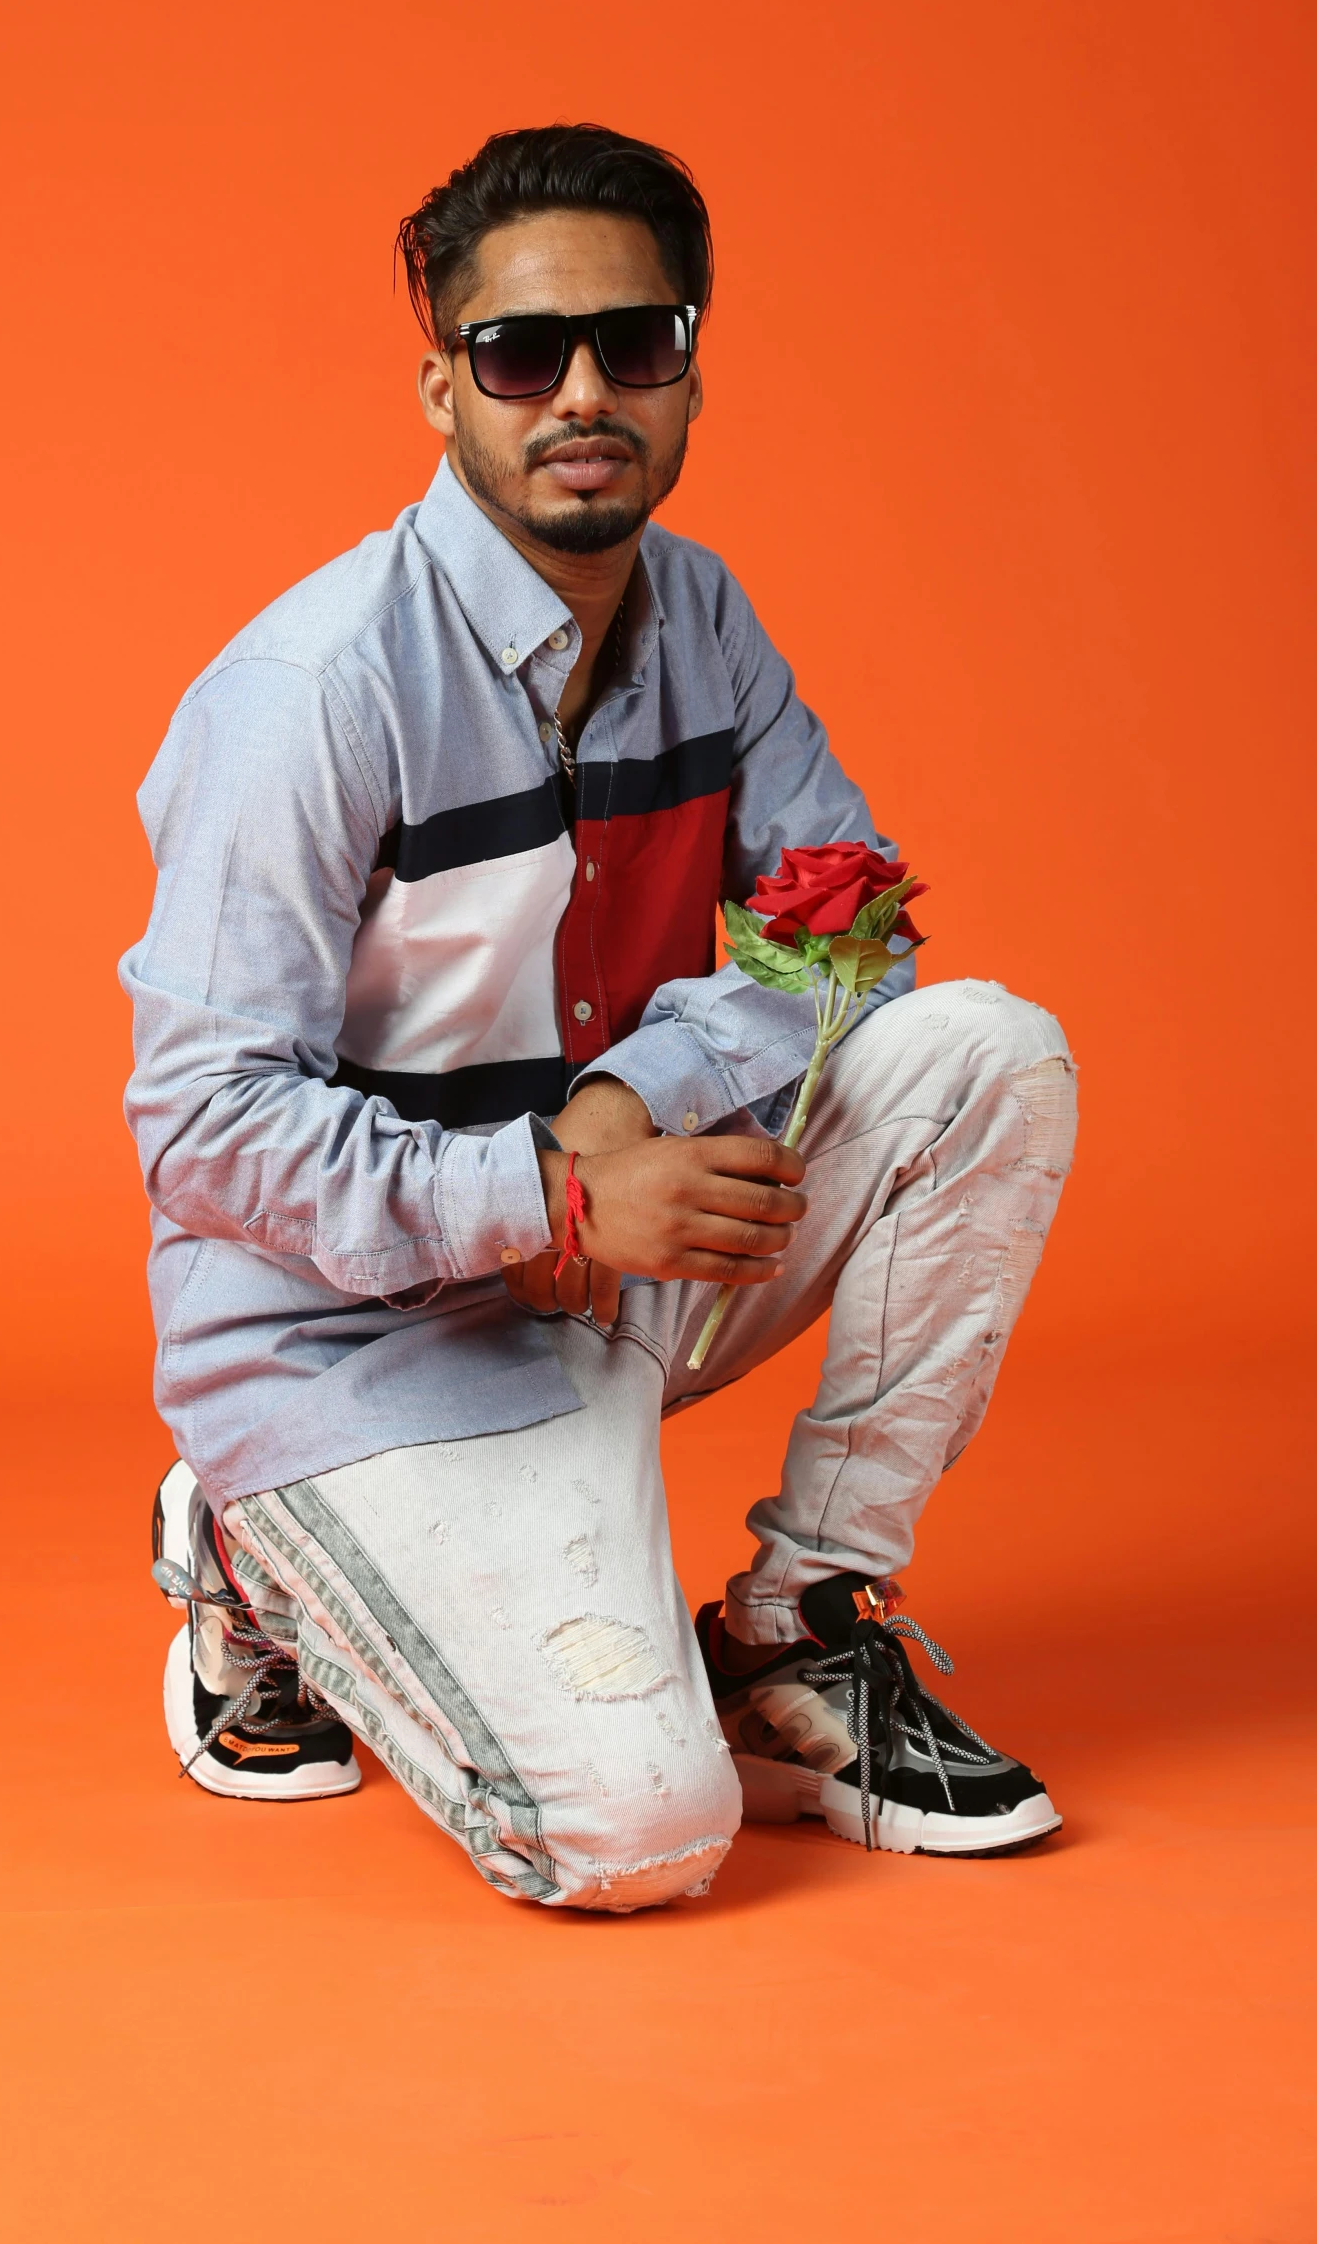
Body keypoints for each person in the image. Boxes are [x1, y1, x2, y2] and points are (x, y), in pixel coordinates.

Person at [122, 124, 1077, 1910]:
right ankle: (249, 1548)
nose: (579, 392)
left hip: (634, 1247)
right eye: (518, 352)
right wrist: (546, 1196)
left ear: (689, 369)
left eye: (631, 345)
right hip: (362, 1338)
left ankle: (794, 1624)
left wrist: (632, 1098)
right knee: (634, 1837)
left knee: (986, 1055)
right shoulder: (312, 691)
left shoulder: (703, 614)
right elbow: (201, 1127)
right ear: (441, 387)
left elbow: (851, 921)